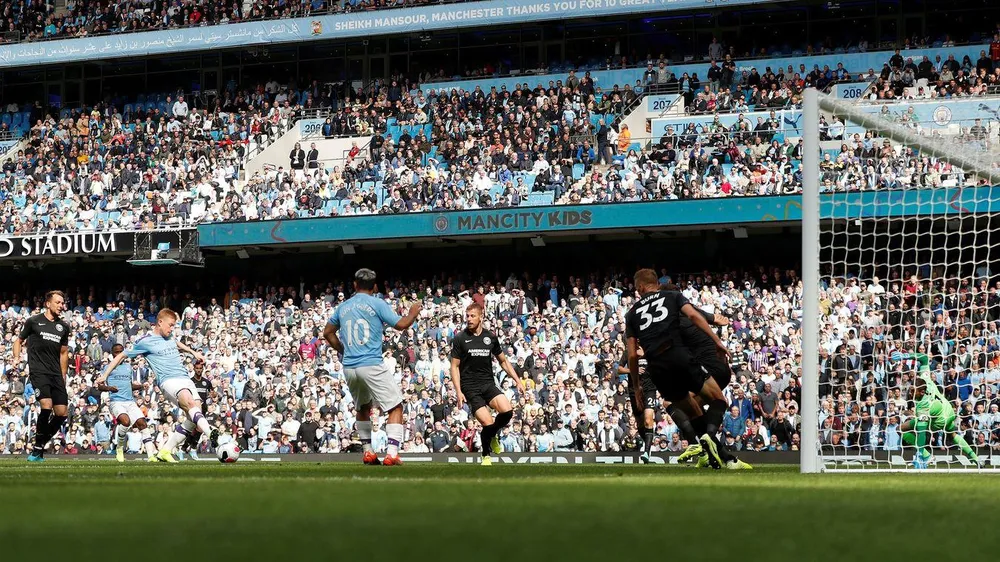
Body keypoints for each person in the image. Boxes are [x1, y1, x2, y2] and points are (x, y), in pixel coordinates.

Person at [624, 269, 730, 469]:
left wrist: (637, 386)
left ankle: (716, 454)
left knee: (691, 411)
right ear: (656, 283)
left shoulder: (631, 314)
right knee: (717, 399)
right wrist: (716, 340)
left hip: (656, 368)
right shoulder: (672, 296)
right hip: (678, 356)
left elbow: (631, 354)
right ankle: (709, 436)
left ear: (639, 287)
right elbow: (694, 316)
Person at [323, 268, 421, 466]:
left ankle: (368, 451)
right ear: (375, 286)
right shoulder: (377, 303)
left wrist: (342, 349)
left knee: (363, 406)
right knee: (395, 406)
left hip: (350, 367)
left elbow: (327, 332)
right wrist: (412, 312)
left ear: (355, 285)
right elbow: (401, 325)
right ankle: (392, 453)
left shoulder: (343, 306)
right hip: (371, 363)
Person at [97, 309, 218, 463]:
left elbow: (176, 343)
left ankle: (165, 451)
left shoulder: (169, 336)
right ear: (160, 322)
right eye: (170, 325)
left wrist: (193, 353)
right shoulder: (145, 341)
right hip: (169, 380)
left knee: (194, 417)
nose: (172, 329)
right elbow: (121, 355)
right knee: (190, 404)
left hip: (185, 378)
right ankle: (214, 435)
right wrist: (105, 375)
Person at [662, 283, 752, 470]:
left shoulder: (670, 321)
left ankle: (702, 444)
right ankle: (727, 459)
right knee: (693, 409)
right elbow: (719, 319)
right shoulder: (691, 310)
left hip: (708, 369)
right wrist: (715, 322)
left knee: (672, 404)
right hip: (720, 368)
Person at [451, 303, 525, 466]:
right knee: (488, 422)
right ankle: (485, 455)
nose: (468, 319)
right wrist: (458, 391)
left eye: (472, 316)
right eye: (467, 316)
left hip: (488, 383)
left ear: (481, 317)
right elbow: (454, 366)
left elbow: (503, 362)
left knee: (507, 412)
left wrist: (517, 380)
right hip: (470, 387)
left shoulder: (490, 337)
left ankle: (492, 435)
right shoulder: (460, 338)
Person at [893, 351, 980, 469]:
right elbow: (923, 358)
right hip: (948, 411)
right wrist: (906, 356)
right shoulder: (925, 379)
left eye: (914, 391)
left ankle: (925, 456)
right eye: (911, 389)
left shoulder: (922, 406)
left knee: (901, 429)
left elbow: (921, 432)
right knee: (952, 435)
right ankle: (974, 457)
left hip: (939, 420)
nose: (911, 393)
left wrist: (920, 452)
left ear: (922, 392)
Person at [13, 290, 71, 462]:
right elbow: (18, 340)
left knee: (61, 413)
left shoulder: (63, 327)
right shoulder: (34, 321)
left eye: (63, 303)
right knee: (46, 406)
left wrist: (63, 375)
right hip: (39, 371)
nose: (62, 306)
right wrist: (16, 358)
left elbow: (64, 352)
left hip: (56, 374)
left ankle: (38, 447)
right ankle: (38, 449)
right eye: (58, 303)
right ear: (48, 303)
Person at [94, 344, 157, 462]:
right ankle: (119, 448)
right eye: (116, 352)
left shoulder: (128, 367)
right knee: (126, 421)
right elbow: (100, 386)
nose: (119, 354)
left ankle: (151, 456)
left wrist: (141, 386)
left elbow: (129, 385)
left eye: (121, 352)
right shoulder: (107, 367)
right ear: (112, 354)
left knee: (142, 423)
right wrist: (109, 388)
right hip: (116, 402)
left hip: (130, 401)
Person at [617, 344, 659, 463]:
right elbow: (619, 369)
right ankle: (647, 445)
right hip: (634, 391)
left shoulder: (650, 349)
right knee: (640, 422)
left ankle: (646, 451)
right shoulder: (628, 352)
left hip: (650, 389)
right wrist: (632, 370)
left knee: (648, 419)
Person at [179, 359, 213, 461]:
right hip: (192, 409)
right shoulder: (190, 382)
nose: (198, 370)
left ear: (202, 369)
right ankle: (186, 449)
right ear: (194, 369)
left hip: (203, 409)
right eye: (197, 368)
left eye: (200, 368)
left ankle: (187, 449)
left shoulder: (206, 382)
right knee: (194, 429)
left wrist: (213, 395)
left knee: (199, 429)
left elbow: (212, 393)